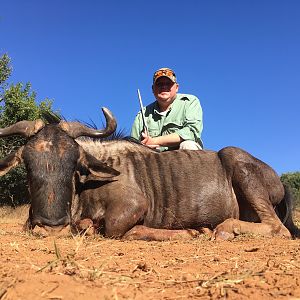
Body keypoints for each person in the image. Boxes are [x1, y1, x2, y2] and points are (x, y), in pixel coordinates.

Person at [131, 67, 203, 151]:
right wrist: (143, 146)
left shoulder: (189, 102)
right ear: (153, 89)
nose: (164, 87)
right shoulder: (142, 113)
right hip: (153, 158)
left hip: (182, 158)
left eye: (168, 83)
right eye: (159, 84)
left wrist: (154, 141)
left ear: (176, 87)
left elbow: (191, 132)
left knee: (188, 145)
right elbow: (132, 145)